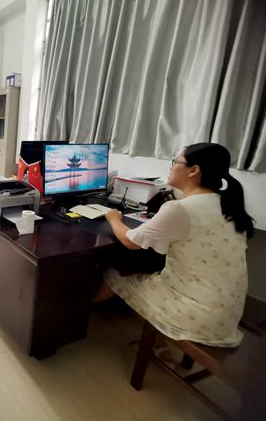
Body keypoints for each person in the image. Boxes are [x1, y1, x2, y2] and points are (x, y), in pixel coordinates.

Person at [94, 143, 254, 347]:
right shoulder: (229, 204)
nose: (171, 167)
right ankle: (159, 345)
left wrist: (113, 217)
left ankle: (77, 313)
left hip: (196, 315)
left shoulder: (180, 208)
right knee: (147, 265)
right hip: (227, 315)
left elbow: (130, 241)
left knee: (113, 274)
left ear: (194, 170)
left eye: (175, 162)